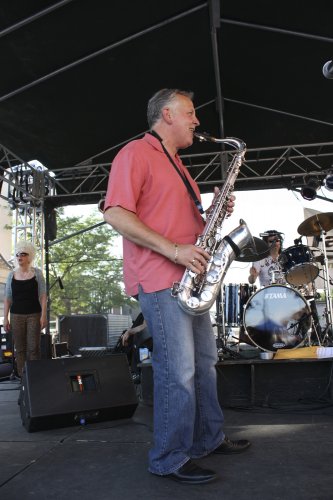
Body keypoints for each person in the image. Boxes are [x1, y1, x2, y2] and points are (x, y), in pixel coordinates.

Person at [103, 88, 251, 485]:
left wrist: (215, 213)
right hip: (160, 279)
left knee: (204, 364)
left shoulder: (179, 165)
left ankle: (207, 438)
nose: (197, 121)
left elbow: (181, 225)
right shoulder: (135, 154)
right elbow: (116, 213)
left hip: (190, 280)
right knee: (178, 370)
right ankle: (168, 456)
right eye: (190, 113)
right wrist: (174, 250)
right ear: (167, 114)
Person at [3, 241, 47, 377]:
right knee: (19, 349)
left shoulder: (37, 273)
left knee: (33, 348)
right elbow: (8, 298)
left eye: (23, 254)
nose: (19, 257)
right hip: (16, 315)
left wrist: (43, 316)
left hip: (34, 314)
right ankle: (24, 377)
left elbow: (43, 296)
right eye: (17, 255)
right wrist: (5, 318)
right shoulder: (11, 275)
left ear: (30, 256)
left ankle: (35, 376)